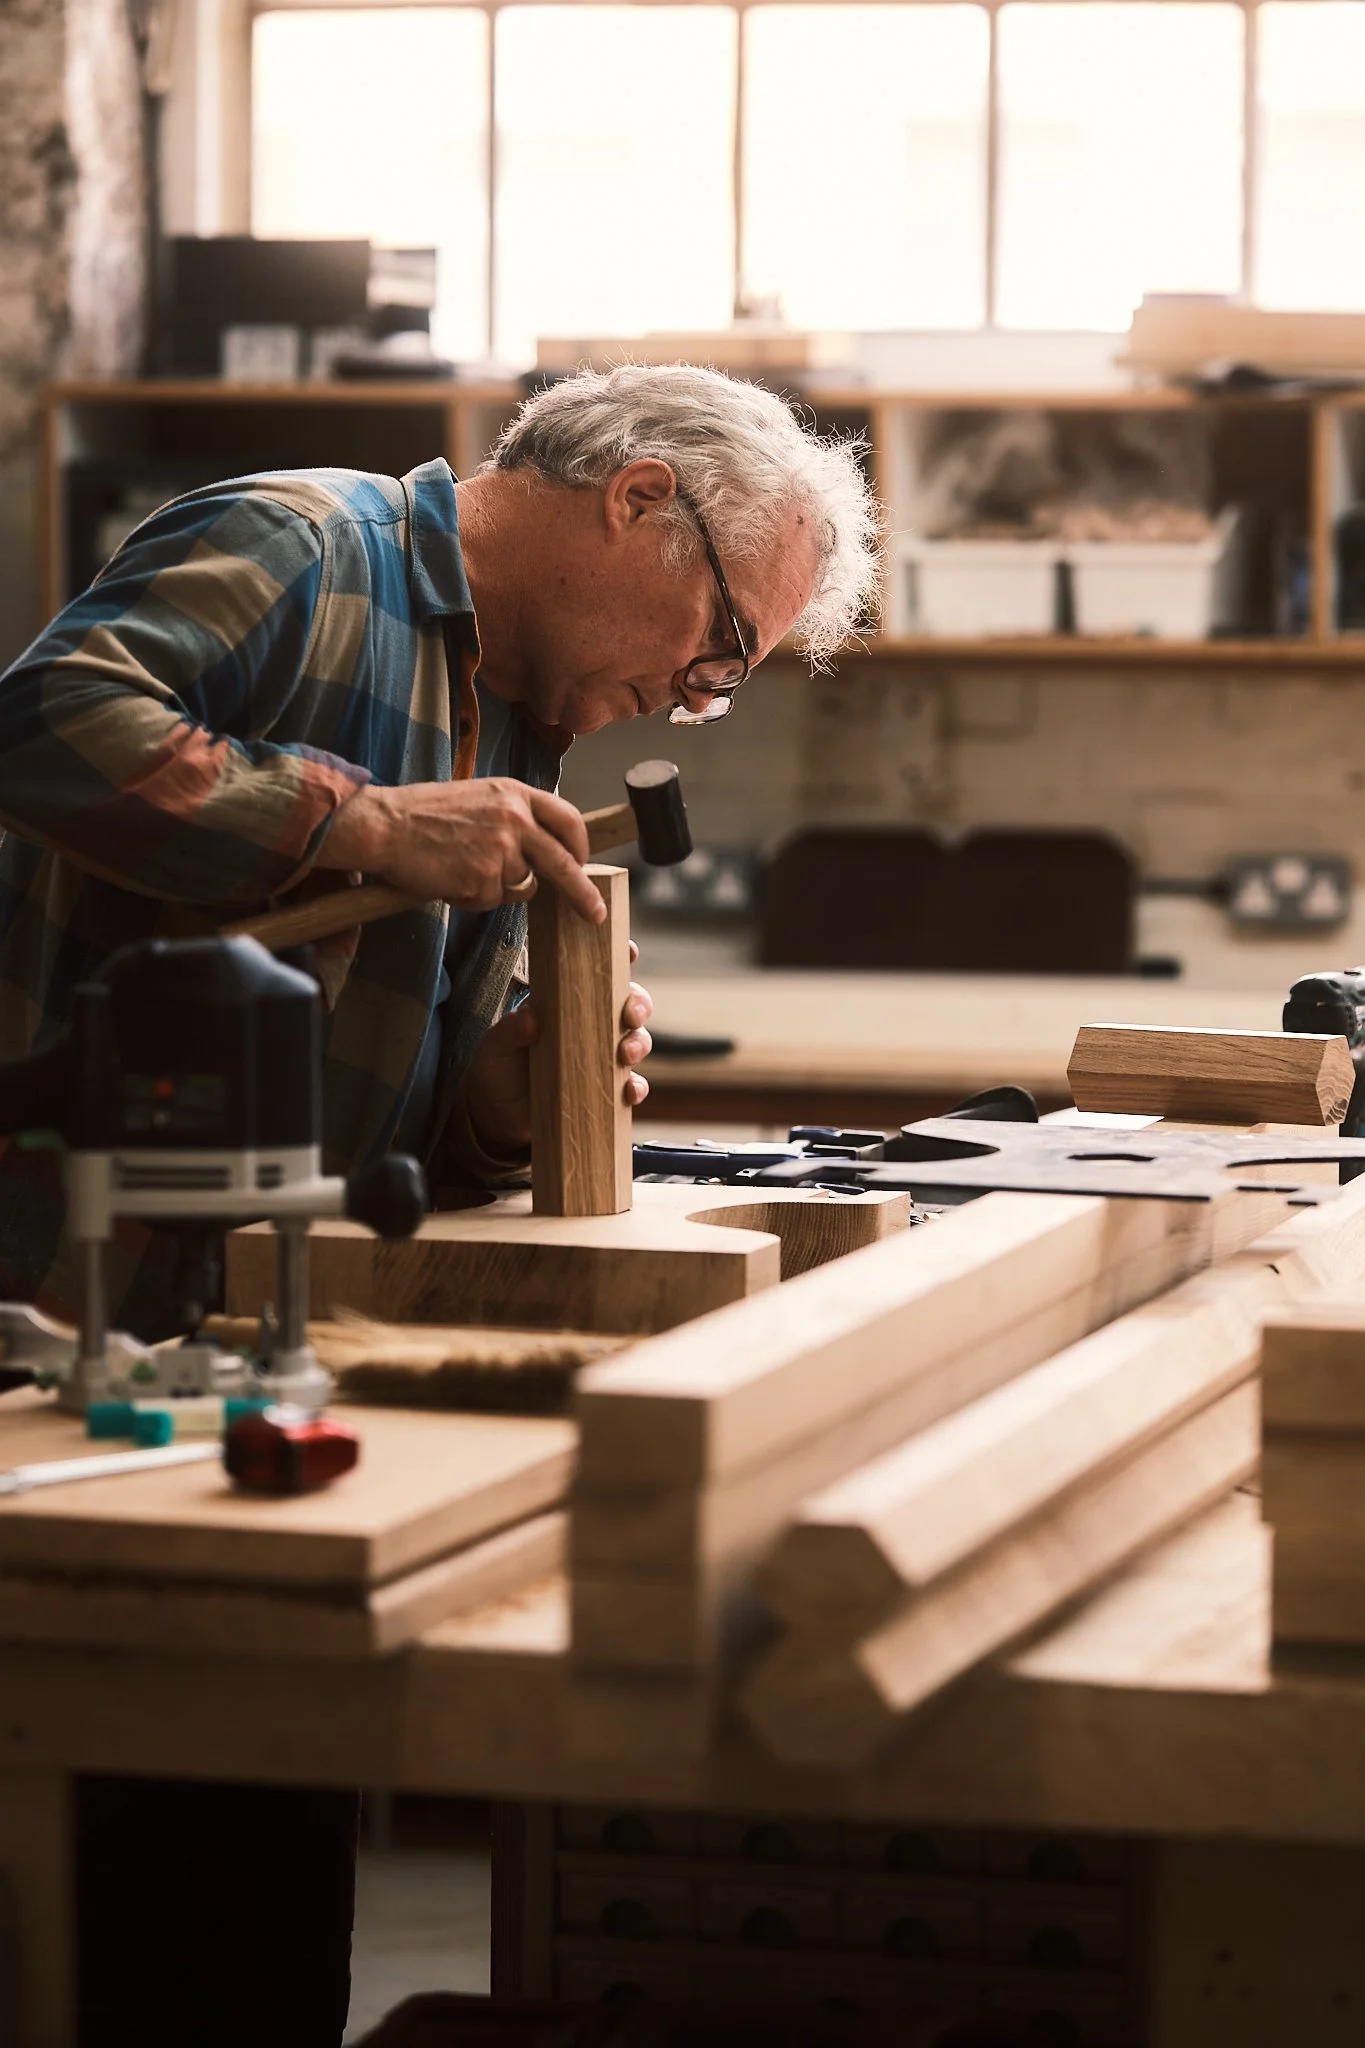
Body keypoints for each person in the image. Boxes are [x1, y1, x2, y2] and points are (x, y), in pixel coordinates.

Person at [0, 361, 881, 2045]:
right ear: (636, 497)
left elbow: (408, 1088)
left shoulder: (521, 721)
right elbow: (37, 728)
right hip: (50, 1344)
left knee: (254, 1923)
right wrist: (367, 823)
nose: (692, 694)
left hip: (266, 1379)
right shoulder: (301, 545)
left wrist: (503, 1093)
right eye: (715, 653)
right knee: (82, 1919)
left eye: (721, 688)